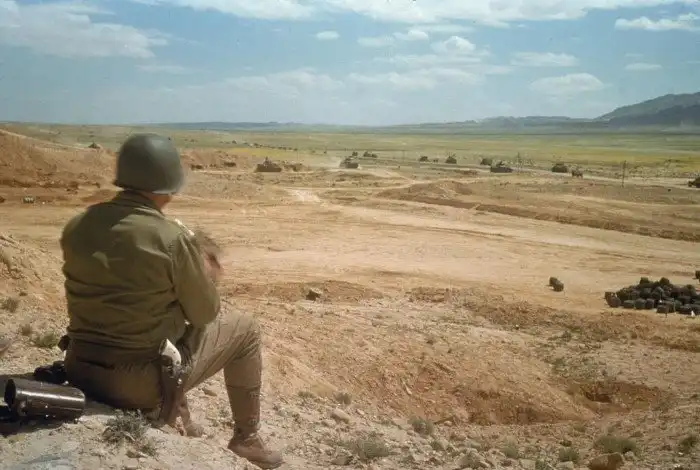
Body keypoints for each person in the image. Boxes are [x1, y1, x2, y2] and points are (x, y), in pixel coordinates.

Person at [59, 133, 284, 469]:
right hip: (136, 386)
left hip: (79, 370)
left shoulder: (76, 226)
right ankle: (246, 439)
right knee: (245, 329)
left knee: (162, 318)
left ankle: (182, 418)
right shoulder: (173, 238)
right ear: (167, 184)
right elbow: (205, 313)